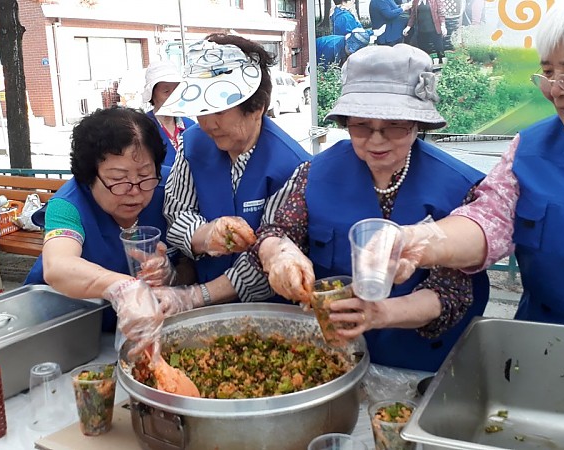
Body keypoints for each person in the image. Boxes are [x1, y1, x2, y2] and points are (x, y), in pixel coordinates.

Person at [250, 44, 490, 372]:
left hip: (422, 364)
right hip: (333, 356)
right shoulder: (313, 174)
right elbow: (277, 230)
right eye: (361, 126)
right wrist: (280, 255)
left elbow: (451, 291)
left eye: (394, 126)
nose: (377, 140)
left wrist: (380, 314)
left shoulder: (460, 187)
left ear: (418, 123)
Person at [394, 2, 564, 327]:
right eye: (548, 74)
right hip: (544, 340)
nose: (558, 91)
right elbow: (489, 219)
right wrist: (415, 241)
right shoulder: (529, 148)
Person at [155, 34, 311, 313]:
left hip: (266, 312)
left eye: (220, 111)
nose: (207, 124)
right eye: (201, 110)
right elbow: (176, 213)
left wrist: (194, 297)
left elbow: (266, 260)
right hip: (201, 296)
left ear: (258, 108)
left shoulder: (292, 165)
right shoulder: (193, 145)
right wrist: (206, 234)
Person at [25, 107, 175, 351]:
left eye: (145, 174)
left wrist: (170, 274)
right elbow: (57, 266)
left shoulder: (169, 187)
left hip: (141, 334)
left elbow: (188, 260)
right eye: (118, 179)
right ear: (88, 175)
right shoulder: (68, 206)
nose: (135, 190)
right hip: (68, 332)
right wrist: (124, 287)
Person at [142, 61, 195, 167]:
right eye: (166, 91)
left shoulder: (191, 126)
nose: (173, 97)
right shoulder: (142, 127)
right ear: (152, 95)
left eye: (176, 90)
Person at [403, 0, 447, 64]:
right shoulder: (415, 1)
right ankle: (427, 66)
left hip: (434, 29)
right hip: (422, 30)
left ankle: (442, 65)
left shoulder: (435, 1)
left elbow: (441, 12)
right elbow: (413, 15)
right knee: (424, 50)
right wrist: (408, 27)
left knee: (439, 48)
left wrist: (443, 25)